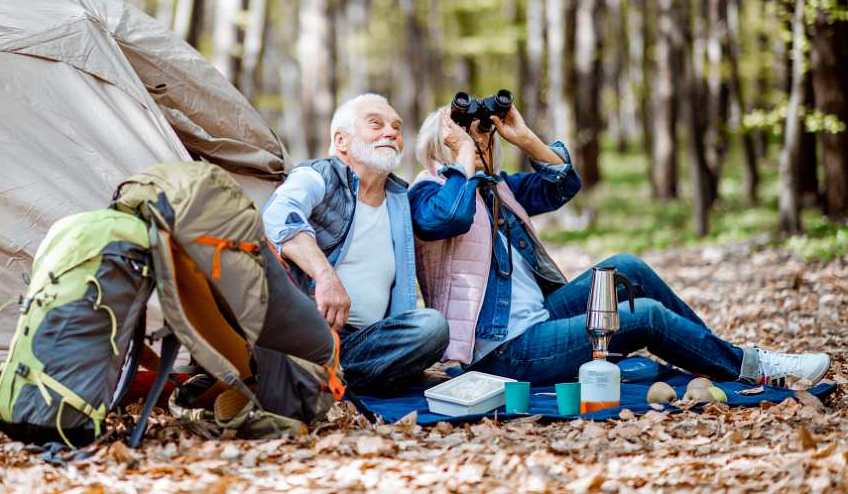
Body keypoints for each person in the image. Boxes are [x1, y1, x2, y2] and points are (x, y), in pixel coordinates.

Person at [407, 104, 831, 387]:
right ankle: (755, 368)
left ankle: (724, 358)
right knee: (642, 317)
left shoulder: (497, 189)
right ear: (439, 144)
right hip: (502, 351)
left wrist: (526, 140)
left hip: (539, 319)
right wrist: (462, 156)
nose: (476, 142)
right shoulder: (426, 193)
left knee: (628, 267)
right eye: (461, 135)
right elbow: (451, 216)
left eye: (479, 136)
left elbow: (562, 186)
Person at [262, 94, 449, 394]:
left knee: (431, 327)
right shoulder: (316, 175)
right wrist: (325, 276)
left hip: (368, 342)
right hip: (314, 336)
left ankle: (336, 381)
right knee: (431, 327)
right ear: (342, 141)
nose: (391, 133)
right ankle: (323, 377)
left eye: (397, 128)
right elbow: (277, 216)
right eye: (376, 124)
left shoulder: (401, 198)